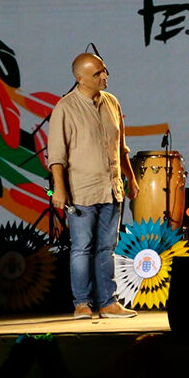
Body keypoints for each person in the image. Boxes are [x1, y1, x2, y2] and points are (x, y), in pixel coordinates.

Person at [48, 52, 140, 319]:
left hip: (111, 187)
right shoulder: (65, 107)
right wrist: (60, 189)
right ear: (80, 78)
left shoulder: (112, 102)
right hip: (82, 190)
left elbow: (120, 148)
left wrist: (131, 179)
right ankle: (82, 303)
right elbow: (56, 156)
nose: (104, 76)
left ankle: (108, 302)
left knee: (106, 248)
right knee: (81, 247)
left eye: (104, 71)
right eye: (97, 73)